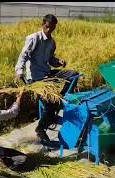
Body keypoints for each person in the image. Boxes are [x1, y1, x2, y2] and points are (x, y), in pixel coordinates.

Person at [15, 14, 79, 142]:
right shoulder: (34, 38)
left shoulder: (51, 42)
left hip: (47, 74)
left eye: (52, 28)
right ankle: (40, 128)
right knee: (49, 106)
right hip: (36, 79)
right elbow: (24, 56)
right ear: (43, 25)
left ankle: (60, 98)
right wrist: (19, 71)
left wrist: (59, 62)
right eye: (47, 27)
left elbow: (50, 60)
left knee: (74, 74)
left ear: (55, 27)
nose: (49, 30)